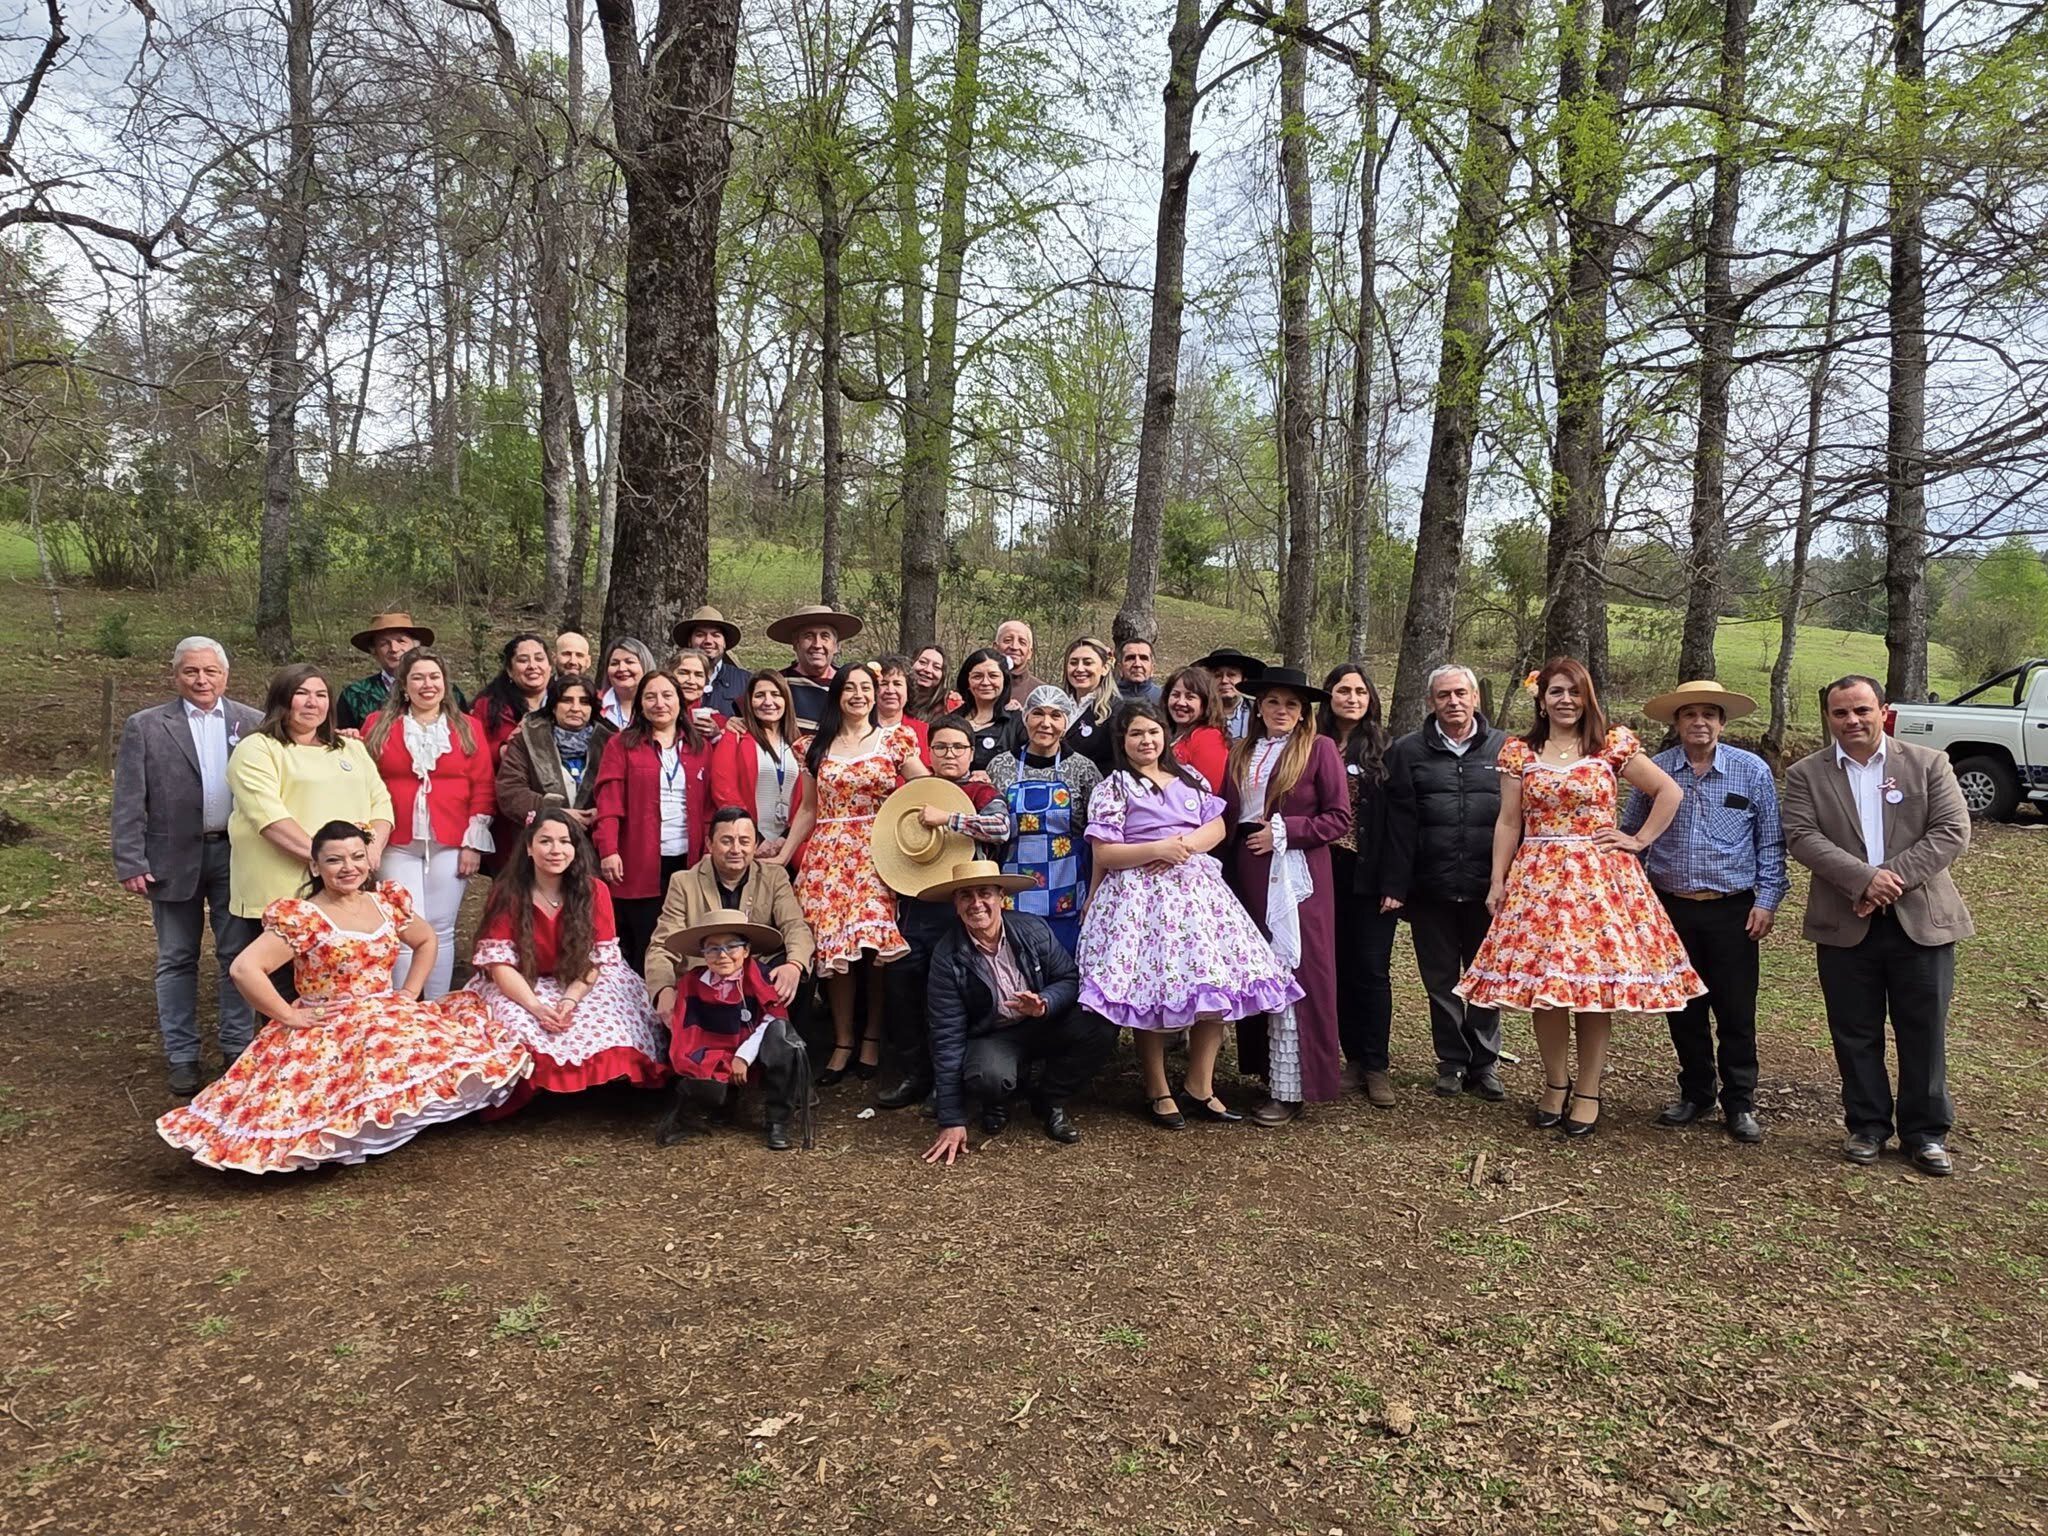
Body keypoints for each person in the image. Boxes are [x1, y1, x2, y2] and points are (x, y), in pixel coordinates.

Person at [156, 821, 530, 1173]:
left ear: (369, 860)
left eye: (356, 857)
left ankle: (393, 1124)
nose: (348, 867)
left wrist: (409, 992)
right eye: (334, 860)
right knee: (318, 1097)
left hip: (385, 1011)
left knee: (446, 1056)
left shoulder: (384, 902)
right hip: (329, 1021)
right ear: (316, 867)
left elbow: (426, 939)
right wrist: (288, 1015)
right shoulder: (305, 917)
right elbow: (244, 969)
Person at [1457, 657, 1703, 1138]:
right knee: (1546, 990)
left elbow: (1668, 792)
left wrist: (1637, 839)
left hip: (1598, 882)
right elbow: (1509, 821)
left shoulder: (1611, 743)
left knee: (1592, 990)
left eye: (1574, 691)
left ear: (1586, 696)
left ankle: (1587, 1089)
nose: (1565, 700)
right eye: (1555, 692)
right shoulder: (1520, 752)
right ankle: (1555, 1083)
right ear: (1542, 700)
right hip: (1538, 880)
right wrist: (1496, 880)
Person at [1783, 675, 1973, 1176]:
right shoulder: (1806, 774)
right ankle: (1866, 1126)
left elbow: (1952, 831)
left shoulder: (1929, 763)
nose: (1852, 721)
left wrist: (1893, 881)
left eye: (1862, 710)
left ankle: (1925, 1133)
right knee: (1854, 1030)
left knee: (1923, 1029)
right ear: (1828, 717)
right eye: (1841, 713)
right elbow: (1801, 836)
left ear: (1883, 711)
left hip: (1921, 922)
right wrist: (1864, 881)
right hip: (1845, 922)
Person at [1081, 701, 1299, 1129]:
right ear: (1122, 741)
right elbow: (1104, 851)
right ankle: (1157, 1087)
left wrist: (1183, 846)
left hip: (1198, 897)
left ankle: (1200, 1085)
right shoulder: (1115, 787)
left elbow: (1217, 826)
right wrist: (1155, 850)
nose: (1146, 741)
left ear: (1165, 736)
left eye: (1153, 732)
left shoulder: (1189, 778)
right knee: (1150, 990)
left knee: (1212, 986)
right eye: (1136, 734)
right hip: (1139, 898)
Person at [1620, 679, 1788, 1144]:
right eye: (1689, 714)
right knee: (1685, 1007)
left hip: (1733, 909)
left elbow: (1771, 841)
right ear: (1676, 722)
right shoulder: (1656, 771)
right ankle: (1696, 1092)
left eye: (1708, 715)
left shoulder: (1751, 771)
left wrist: (1767, 900)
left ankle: (1740, 1102)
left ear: (1722, 722)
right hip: (1671, 908)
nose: (1699, 722)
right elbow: (1631, 834)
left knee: (1736, 1009)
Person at [112, 637, 266, 1095]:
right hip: (170, 858)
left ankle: (237, 1049)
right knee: (176, 958)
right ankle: (182, 1055)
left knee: (236, 956)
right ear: (175, 675)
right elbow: (128, 800)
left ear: (225, 675)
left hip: (236, 855)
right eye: (191, 672)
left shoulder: (253, 723)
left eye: (210, 671)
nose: (202, 680)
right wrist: (130, 859)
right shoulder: (146, 726)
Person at [779, 664, 931, 1083]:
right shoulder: (814, 747)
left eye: (867, 687)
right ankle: (843, 1041)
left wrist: (960, 784)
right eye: (851, 688)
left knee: (875, 946)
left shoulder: (895, 740)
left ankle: (872, 1037)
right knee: (836, 953)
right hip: (829, 857)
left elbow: (925, 787)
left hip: (879, 852)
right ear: (838, 695)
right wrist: (784, 855)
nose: (860, 694)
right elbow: (809, 810)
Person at [464, 809, 668, 1114]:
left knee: (610, 1020)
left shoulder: (594, 891)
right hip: (522, 983)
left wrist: (570, 1001)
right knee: (518, 1024)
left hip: (581, 980)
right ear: (529, 848)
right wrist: (535, 1007)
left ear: (575, 848)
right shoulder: (507, 893)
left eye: (564, 841)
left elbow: (596, 963)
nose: (556, 850)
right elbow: (499, 965)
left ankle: (602, 1085)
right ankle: (539, 1089)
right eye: (545, 841)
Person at [1222, 668, 1351, 1126]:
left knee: (1297, 967)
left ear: (1303, 714)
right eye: (1274, 702)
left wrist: (1283, 832)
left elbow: (1338, 819)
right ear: (1260, 707)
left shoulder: (1319, 750)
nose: (1281, 711)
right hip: (1250, 872)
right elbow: (1227, 812)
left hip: (1298, 876)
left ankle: (1294, 1085)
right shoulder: (1242, 752)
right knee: (1260, 969)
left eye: (1292, 705)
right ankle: (1268, 1072)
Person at [920, 861, 1116, 1161]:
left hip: (1043, 1021)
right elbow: (946, 1036)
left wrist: (1044, 1002)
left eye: (984, 893)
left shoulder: (1032, 928)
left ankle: (1050, 1099)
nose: (976, 904)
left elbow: (1069, 978)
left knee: (1101, 1023)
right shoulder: (946, 956)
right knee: (987, 1076)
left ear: (1001, 897)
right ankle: (997, 1099)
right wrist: (952, 1119)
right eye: (965, 896)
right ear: (955, 905)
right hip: (994, 1034)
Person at [1380, 663, 1508, 1100]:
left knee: (1486, 979)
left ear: (1475, 698)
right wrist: (1397, 885)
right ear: (1431, 702)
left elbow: (1521, 820)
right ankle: (1452, 1061)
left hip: (1489, 890)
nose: (1453, 702)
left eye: (1460, 694)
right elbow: (1396, 825)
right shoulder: (1406, 751)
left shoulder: (1506, 749)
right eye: (1443, 696)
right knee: (1441, 982)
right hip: (1430, 888)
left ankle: (1485, 1064)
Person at [871, 736, 1012, 1110]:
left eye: (958, 747)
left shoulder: (983, 790)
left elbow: (1001, 828)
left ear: (971, 753)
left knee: (958, 996)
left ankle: (951, 1080)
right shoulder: (911, 792)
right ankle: (916, 1074)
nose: (949, 754)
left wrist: (948, 818)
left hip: (965, 911)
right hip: (916, 907)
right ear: (929, 752)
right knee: (905, 988)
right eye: (941, 747)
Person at [363, 648, 497, 998]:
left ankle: (436, 1006)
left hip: (452, 840)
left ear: (445, 683)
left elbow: (483, 784)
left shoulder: (468, 727)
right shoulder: (377, 725)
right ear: (404, 686)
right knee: (407, 925)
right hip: (397, 840)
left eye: (434, 677)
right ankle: (405, 1006)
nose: (428, 685)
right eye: (418, 678)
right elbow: (364, 780)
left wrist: (472, 842)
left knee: (441, 927)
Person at [226, 665, 394, 922]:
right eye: (302, 693)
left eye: (321, 695)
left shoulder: (350, 748)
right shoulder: (256, 749)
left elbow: (380, 802)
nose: (312, 703)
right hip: (280, 892)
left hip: (345, 890)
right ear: (282, 699)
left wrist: (369, 852)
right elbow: (268, 817)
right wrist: (329, 862)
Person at [655, 911, 810, 1152]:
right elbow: (688, 1033)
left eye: (732, 947)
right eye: (713, 949)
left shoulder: (762, 975)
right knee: (701, 1075)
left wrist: (743, 1057)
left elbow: (773, 1018)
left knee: (781, 1037)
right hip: (715, 1049)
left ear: (746, 950)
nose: (723, 955)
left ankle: (778, 1121)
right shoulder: (692, 983)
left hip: (755, 1048)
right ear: (703, 954)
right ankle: (725, 1101)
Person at [593, 670, 716, 973]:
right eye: (650, 696)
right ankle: (639, 1013)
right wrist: (608, 849)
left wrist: (711, 847)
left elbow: (711, 806)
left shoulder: (700, 746)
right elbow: (609, 802)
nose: (659, 703)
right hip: (639, 860)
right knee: (644, 943)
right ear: (640, 704)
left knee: (685, 940)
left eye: (667, 695)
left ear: (680, 701)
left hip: (688, 859)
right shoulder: (622, 745)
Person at [644, 806, 815, 1017]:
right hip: (705, 979)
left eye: (744, 841)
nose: (736, 849)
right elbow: (662, 945)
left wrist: (794, 965)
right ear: (709, 844)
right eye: (726, 841)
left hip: (756, 980)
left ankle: (788, 1044)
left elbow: (795, 926)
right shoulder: (683, 882)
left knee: (799, 969)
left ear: (756, 845)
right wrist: (663, 990)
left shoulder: (774, 877)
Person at [1320, 663, 1398, 1107]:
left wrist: (1395, 882)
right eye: (1343, 690)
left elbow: (1401, 824)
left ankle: (1376, 1065)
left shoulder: (1386, 750)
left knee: (1371, 970)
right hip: (1322, 872)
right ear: (1329, 696)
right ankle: (1350, 1058)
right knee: (1336, 967)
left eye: (1360, 691)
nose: (1351, 698)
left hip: (1370, 876)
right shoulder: (1314, 745)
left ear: (1370, 699)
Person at [988, 686, 1102, 955]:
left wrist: (1095, 895)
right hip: (1014, 891)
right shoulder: (999, 766)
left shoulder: (1084, 769)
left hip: (1070, 889)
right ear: (1025, 717)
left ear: (1066, 722)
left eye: (1056, 715)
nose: (1046, 723)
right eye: (1038, 713)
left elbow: (1099, 837)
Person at [495, 673, 615, 833]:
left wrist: (603, 813)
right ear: (553, 706)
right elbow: (510, 791)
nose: (576, 708)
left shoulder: (611, 742)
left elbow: (626, 792)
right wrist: (554, 812)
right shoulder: (527, 739)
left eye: (584, 702)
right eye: (567, 700)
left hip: (596, 841)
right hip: (542, 840)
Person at [707, 671, 807, 858]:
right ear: (749, 702)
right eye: (759, 695)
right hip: (746, 843)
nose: (768, 702)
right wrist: (755, 837)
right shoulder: (736, 735)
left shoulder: (798, 743)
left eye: (775, 694)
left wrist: (786, 839)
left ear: (786, 699)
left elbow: (806, 800)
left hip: (788, 845)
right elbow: (724, 790)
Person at [337, 612, 450, 732]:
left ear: (416, 646)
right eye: (384, 643)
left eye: (401, 641)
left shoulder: (444, 690)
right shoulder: (354, 695)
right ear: (374, 651)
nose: (394, 649)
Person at [769, 603, 863, 733]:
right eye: (808, 636)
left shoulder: (850, 684)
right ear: (796, 644)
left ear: (836, 646)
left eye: (825, 636)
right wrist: (737, 722)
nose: (817, 644)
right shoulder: (777, 684)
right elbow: (751, 719)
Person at [469, 632, 554, 759]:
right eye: (523, 660)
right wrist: (503, 751)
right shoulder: (487, 706)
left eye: (539, 659)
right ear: (509, 670)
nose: (532, 666)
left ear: (550, 666)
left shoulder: (567, 700)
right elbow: (472, 752)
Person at [673, 605, 749, 717]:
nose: (708, 640)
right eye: (700, 635)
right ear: (690, 641)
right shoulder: (672, 680)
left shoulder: (746, 681)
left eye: (715, 635)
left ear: (724, 642)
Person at [1162, 665, 1229, 792]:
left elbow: (1209, 793)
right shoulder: (1168, 734)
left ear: (1205, 703)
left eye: (1190, 697)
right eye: (1175, 695)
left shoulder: (1209, 738)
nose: (1181, 702)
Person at [1059, 637, 1119, 768]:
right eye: (1073, 662)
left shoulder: (1117, 711)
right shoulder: (1057, 706)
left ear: (1105, 668)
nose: (1079, 669)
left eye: (1087, 663)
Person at [955, 647, 1015, 771]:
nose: (985, 682)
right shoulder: (951, 721)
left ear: (1004, 680)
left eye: (993, 676)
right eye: (977, 676)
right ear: (967, 681)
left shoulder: (1018, 724)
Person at [1194, 647, 1266, 739]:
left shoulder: (1260, 712)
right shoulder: (1198, 713)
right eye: (1218, 675)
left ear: (1243, 680)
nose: (1224, 680)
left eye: (1231, 675)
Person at [874, 653, 932, 763]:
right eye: (884, 683)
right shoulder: (859, 728)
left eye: (897, 684)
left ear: (908, 691)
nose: (890, 690)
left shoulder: (924, 731)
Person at [599, 638, 656, 729]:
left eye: (629, 662)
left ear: (645, 665)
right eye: (614, 663)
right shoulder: (594, 703)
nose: (621, 668)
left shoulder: (660, 704)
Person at [671, 647, 726, 733]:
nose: (691, 681)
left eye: (698, 675)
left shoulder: (717, 721)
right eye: (683, 673)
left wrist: (717, 735)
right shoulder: (655, 714)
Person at [994, 619, 1048, 704]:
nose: (1014, 647)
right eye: (1008, 640)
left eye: (1022, 642)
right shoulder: (980, 685)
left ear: (1030, 653)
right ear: (995, 647)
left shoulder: (1043, 693)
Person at [906, 644, 960, 721]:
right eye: (923, 662)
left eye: (936, 667)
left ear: (943, 675)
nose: (928, 670)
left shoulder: (948, 706)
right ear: (911, 664)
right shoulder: (894, 696)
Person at [1117, 637, 1162, 704]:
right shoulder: (1106, 700)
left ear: (1153, 668)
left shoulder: (1164, 699)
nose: (1137, 664)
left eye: (1143, 658)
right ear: (1120, 668)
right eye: (1130, 658)